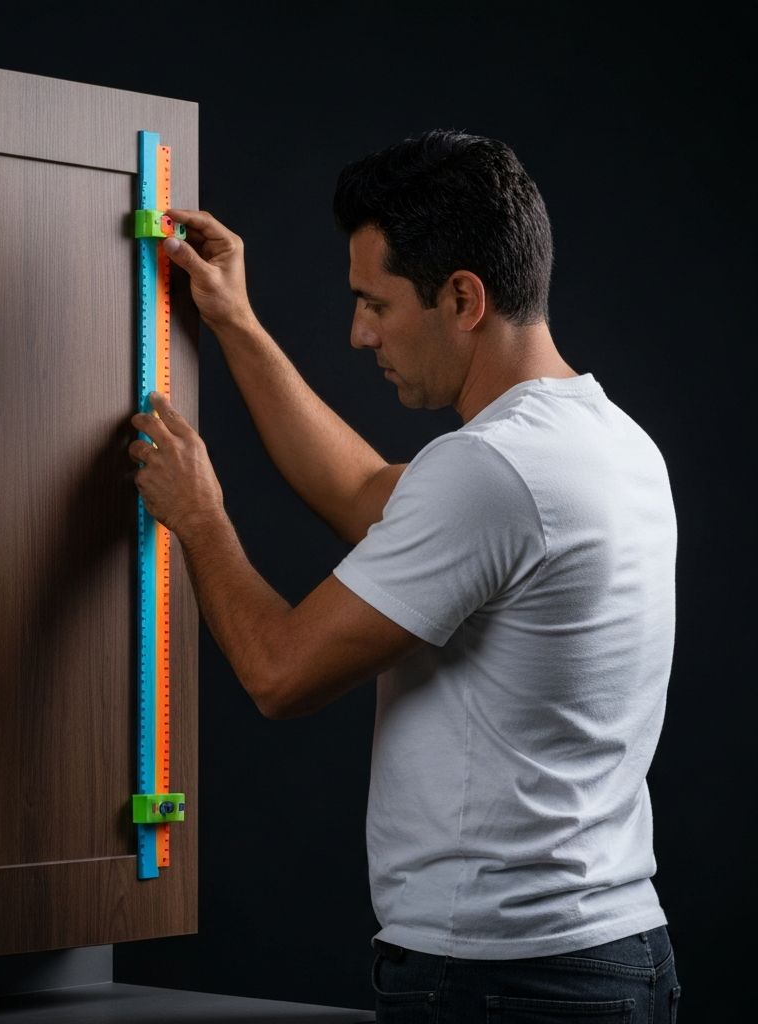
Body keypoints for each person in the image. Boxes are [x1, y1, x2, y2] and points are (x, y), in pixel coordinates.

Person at [127, 128, 681, 1022]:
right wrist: (234, 321)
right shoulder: (603, 439)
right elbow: (362, 491)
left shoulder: (493, 471)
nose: (357, 333)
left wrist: (198, 517)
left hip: (504, 981)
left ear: (463, 298)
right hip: (605, 958)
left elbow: (280, 673)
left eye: (375, 304)